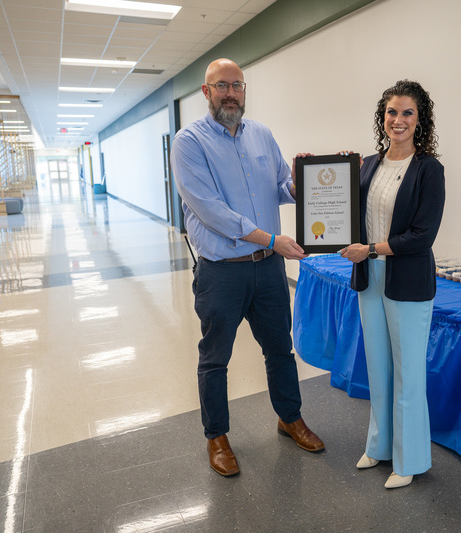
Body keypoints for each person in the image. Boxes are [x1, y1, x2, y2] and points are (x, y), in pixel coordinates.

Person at [170, 58, 324, 477]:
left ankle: (289, 417)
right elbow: (211, 211)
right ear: (206, 92)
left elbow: (280, 188)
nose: (231, 93)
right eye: (222, 86)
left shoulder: (262, 135)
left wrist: (307, 181)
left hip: (268, 269)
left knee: (279, 349)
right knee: (215, 357)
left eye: (237, 85)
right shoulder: (189, 142)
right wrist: (272, 240)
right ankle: (216, 436)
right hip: (222, 272)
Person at [340, 80, 445, 489]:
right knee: (379, 367)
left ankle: (409, 460)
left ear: (420, 121)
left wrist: (370, 248)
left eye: (407, 113)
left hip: (407, 279)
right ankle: (380, 446)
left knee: (409, 373)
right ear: (382, 117)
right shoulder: (367, 165)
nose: (397, 120)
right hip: (370, 277)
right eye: (391, 112)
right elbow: (346, 215)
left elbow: (423, 235)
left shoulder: (428, 169)